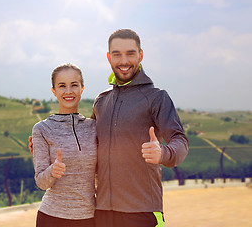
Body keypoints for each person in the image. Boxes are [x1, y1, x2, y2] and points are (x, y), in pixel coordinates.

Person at [92, 29, 188, 227]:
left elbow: (180, 140)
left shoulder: (157, 97)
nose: (123, 60)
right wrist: (48, 144)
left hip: (142, 211)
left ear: (140, 55)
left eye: (130, 53)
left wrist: (163, 153)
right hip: (102, 211)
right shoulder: (101, 101)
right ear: (109, 57)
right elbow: (87, 142)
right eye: (117, 54)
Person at [32, 63, 97, 227]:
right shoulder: (42, 129)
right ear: (54, 90)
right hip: (52, 217)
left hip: (90, 217)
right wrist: (52, 171)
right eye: (62, 86)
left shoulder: (95, 127)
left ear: (82, 88)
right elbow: (41, 182)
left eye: (74, 85)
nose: (68, 91)